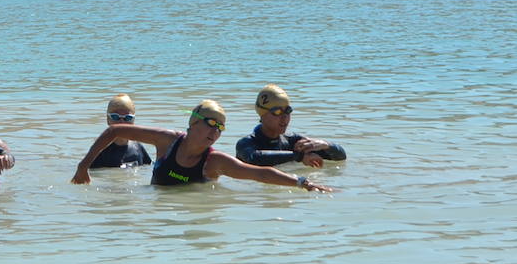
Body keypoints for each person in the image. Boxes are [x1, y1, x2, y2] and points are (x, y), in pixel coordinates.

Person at [71, 100, 334, 192]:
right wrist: (84, 167)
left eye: (220, 127)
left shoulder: (214, 162)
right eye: (210, 123)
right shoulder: (167, 141)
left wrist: (302, 183)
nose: (214, 131)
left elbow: (259, 174)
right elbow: (115, 129)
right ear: (192, 123)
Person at [236, 84, 348, 168]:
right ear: (262, 114)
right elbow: (254, 159)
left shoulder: (293, 142)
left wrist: (326, 145)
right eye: (277, 112)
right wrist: (299, 157)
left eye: (288, 111)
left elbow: (341, 158)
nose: (284, 117)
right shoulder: (246, 144)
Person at [87, 93, 152, 169]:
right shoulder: (100, 152)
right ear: (108, 120)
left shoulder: (138, 148)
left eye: (127, 118)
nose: (122, 122)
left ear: (133, 121)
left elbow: (150, 169)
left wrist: (169, 174)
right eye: (115, 117)